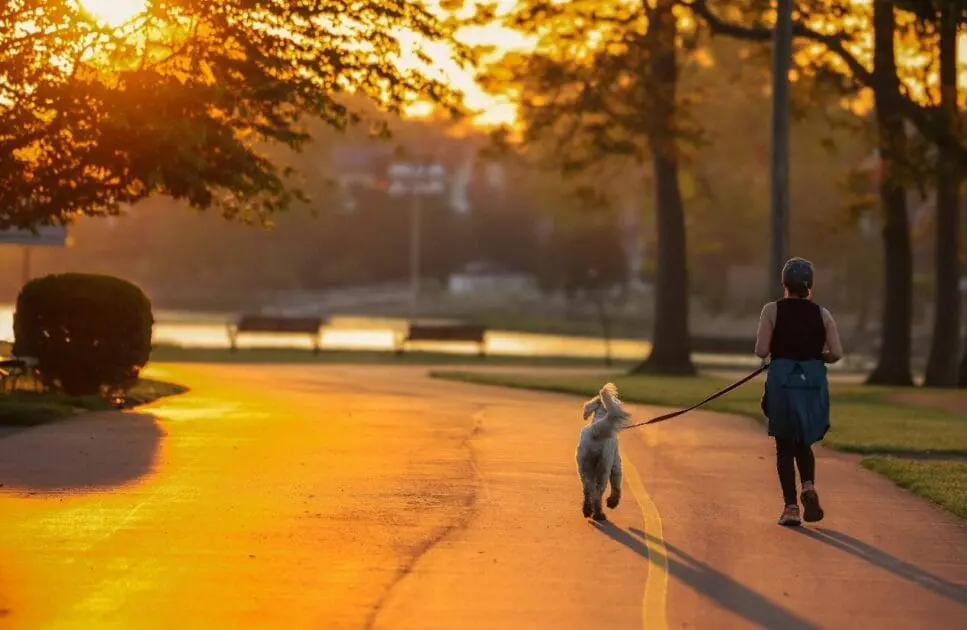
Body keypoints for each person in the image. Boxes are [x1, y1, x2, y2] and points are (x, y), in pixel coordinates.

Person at [755, 257, 843, 526]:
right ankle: (808, 485)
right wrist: (817, 356)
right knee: (803, 440)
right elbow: (836, 353)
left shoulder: (772, 310)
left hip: (782, 381)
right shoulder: (822, 313)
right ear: (809, 285)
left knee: (784, 446)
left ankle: (791, 508)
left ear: (784, 284)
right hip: (811, 383)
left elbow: (761, 350)